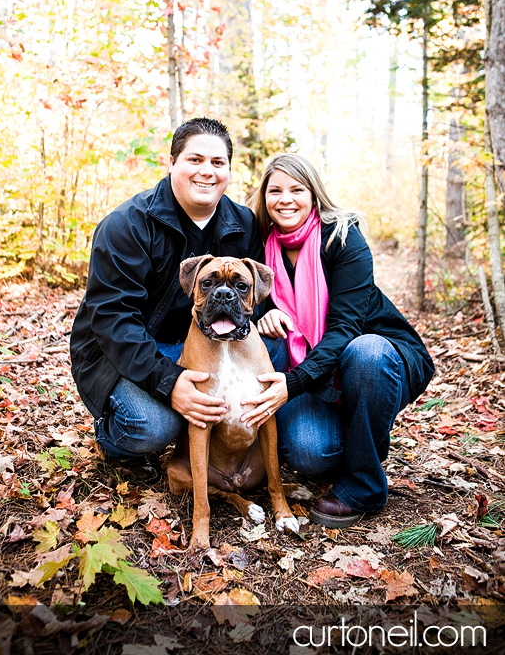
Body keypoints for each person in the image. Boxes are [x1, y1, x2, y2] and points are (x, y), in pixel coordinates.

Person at [70, 117, 287, 481]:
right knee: (154, 425)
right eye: (195, 160)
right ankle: (115, 440)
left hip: (202, 341)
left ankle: (241, 437)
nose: (207, 171)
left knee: (277, 354)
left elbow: (251, 295)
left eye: (218, 163)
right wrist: (170, 382)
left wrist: (269, 314)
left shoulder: (244, 223)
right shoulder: (126, 225)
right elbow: (112, 321)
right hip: (124, 349)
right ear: (172, 163)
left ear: (229, 171)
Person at [242, 153, 435, 527]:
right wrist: (262, 313)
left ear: (314, 194)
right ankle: (355, 435)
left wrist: (292, 385)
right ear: (263, 196)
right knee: (312, 454)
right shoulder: (260, 244)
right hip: (314, 369)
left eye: (297, 189)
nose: (286, 199)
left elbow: (346, 328)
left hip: (374, 358)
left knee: (367, 350)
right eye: (275, 190)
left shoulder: (343, 237)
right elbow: (240, 298)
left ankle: (364, 486)